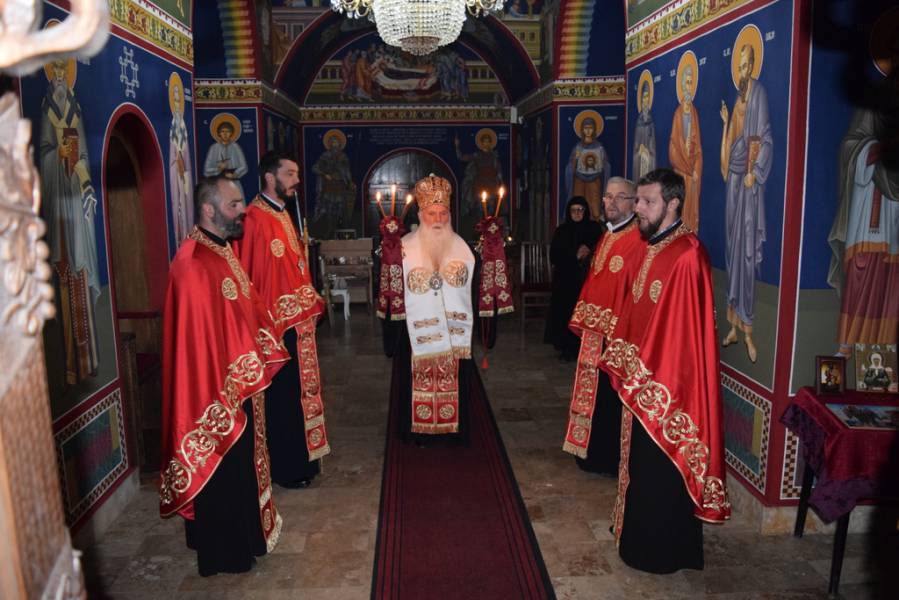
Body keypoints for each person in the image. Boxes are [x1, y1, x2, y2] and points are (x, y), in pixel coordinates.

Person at [599, 168, 730, 573]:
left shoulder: (688, 254)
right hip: (641, 376)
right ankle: (636, 536)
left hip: (669, 383)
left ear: (673, 203)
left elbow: (684, 335)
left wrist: (649, 375)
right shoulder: (652, 245)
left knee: (659, 470)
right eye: (638, 200)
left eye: (647, 201)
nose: (637, 208)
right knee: (639, 465)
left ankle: (659, 552)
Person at [159, 176, 286, 576]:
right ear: (208, 209)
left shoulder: (220, 249)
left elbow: (243, 309)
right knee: (223, 471)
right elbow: (198, 346)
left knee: (241, 468)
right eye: (233, 205)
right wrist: (231, 383)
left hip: (237, 382)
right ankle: (224, 553)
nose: (242, 210)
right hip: (214, 392)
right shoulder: (193, 263)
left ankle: (245, 540)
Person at [232, 151, 331, 489]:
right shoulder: (252, 219)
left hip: (299, 324)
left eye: (297, 174)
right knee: (283, 400)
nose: (297, 181)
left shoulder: (282, 213)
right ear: (269, 177)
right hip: (275, 329)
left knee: (299, 395)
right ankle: (287, 469)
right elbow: (248, 277)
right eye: (290, 174)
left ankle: (302, 463)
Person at [385, 175, 482, 444]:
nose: (438, 219)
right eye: (431, 213)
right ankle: (418, 432)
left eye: (443, 213)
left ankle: (453, 432)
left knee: (457, 381)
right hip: (415, 335)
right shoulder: (402, 248)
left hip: (453, 335)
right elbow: (392, 294)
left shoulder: (465, 250)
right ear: (420, 215)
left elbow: (473, 293)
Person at [564, 178, 643, 476]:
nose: (610, 202)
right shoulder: (607, 235)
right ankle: (590, 451)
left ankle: (609, 458)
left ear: (634, 202)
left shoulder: (638, 240)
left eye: (619, 197)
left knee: (610, 399)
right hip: (594, 334)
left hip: (615, 337)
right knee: (593, 395)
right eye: (608, 196)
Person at [40, 56, 100, 385]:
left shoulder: (75, 109)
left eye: (64, 70)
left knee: (80, 277)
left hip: (75, 203)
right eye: (56, 70)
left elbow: (85, 154)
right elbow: (43, 154)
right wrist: (58, 156)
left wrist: (81, 170)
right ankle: (69, 366)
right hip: (59, 207)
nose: (61, 76)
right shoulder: (46, 109)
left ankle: (87, 361)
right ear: (51, 75)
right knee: (64, 277)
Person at [720, 42, 773, 363]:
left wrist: (756, 172)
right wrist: (727, 122)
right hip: (734, 183)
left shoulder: (759, 94)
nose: (742, 72)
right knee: (732, 251)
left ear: (753, 65)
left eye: (746, 66)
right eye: (739, 67)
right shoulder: (738, 97)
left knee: (747, 254)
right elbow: (728, 153)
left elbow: (765, 138)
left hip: (750, 185)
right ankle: (733, 325)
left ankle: (749, 329)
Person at [546, 196, 603, 361]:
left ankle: (586, 348)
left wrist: (589, 251)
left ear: (586, 212)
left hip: (588, 280)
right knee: (565, 312)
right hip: (566, 278)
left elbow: (602, 251)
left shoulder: (594, 229)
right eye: (573, 210)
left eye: (580, 210)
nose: (577, 213)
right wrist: (574, 255)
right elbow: (554, 256)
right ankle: (567, 348)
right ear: (568, 212)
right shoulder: (561, 231)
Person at [669, 60, 703, 233]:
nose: (689, 86)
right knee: (681, 208)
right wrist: (688, 168)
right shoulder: (678, 113)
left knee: (691, 209)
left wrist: (696, 168)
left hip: (692, 171)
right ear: (682, 86)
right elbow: (674, 147)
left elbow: (698, 148)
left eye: (691, 83)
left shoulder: (694, 112)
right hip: (682, 171)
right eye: (687, 83)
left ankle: (690, 234)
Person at [311, 129, 356, 238]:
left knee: (341, 208)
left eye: (336, 142)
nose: (334, 144)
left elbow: (347, 171)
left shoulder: (343, 157)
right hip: (329, 186)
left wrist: (350, 182)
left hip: (340, 186)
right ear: (329, 144)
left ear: (340, 144)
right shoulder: (325, 156)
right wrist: (325, 174)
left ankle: (341, 230)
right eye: (332, 142)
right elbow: (315, 168)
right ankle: (330, 230)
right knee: (329, 208)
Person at [565, 116, 610, 222]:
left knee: (595, 208)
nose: (588, 131)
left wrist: (603, 165)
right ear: (582, 130)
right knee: (578, 205)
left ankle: (594, 226)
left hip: (594, 180)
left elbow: (606, 166)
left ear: (594, 129)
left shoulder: (599, 147)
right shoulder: (578, 147)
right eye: (586, 128)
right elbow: (570, 166)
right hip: (579, 180)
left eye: (590, 128)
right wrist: (575, 160)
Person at [169, 73, 193, 243]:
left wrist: (183, 166)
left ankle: (187, 237)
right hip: (176, 174)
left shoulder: (182, 124)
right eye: (175, 97)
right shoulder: (173, 124)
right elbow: (173, 152)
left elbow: (185, 152)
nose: (177, 102)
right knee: (178, 207)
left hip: (183, 173)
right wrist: (176, 161)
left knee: (185, 205)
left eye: (179, 98)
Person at [203, 119, 249, 195]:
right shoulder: (214, 148)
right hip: (217, 184)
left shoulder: (235, 147)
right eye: (222, 131)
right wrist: (218, 169)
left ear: (231, 133)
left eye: (228, 131)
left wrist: (234, 174)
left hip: (233, 183)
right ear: (219, 133)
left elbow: (244, 166)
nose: (225, 134)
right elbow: (206, 171)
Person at [633, 80, 656, 181]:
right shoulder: (639, 120)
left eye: (647, 97)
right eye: (644, 97)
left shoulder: (651, 120)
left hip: (649, 156)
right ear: (641, 99)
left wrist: (649, 150)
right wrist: (639, 148)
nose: (645, 100)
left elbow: (653, 141)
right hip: (640, 157)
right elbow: (636, 143)